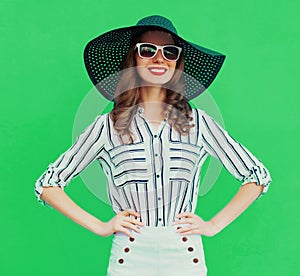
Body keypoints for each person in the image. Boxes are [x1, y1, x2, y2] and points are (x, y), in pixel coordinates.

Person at [34, 15, 272, 276]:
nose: (159, 59)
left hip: (184, 254)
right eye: (148, 50)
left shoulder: (199, 124)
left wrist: (213, 225)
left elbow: (256, 175)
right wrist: (100, 226)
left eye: (169, 52)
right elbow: (48, 184)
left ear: (177, 64)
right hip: (130, 254)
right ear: (133, 60)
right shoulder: (106, 127)